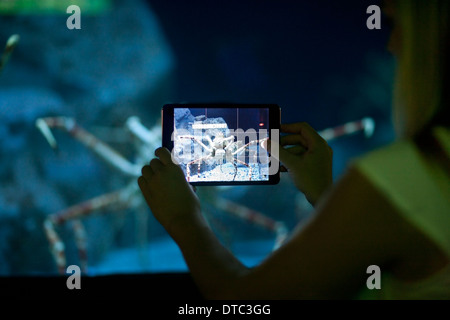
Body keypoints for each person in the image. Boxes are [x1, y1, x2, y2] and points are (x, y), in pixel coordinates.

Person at [138, 0, 449, 299]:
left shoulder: (400, 176)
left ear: (432, 40)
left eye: (395, 24)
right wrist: (325, 195)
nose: (391, 44)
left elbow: (240, 301)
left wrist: (182, 219)